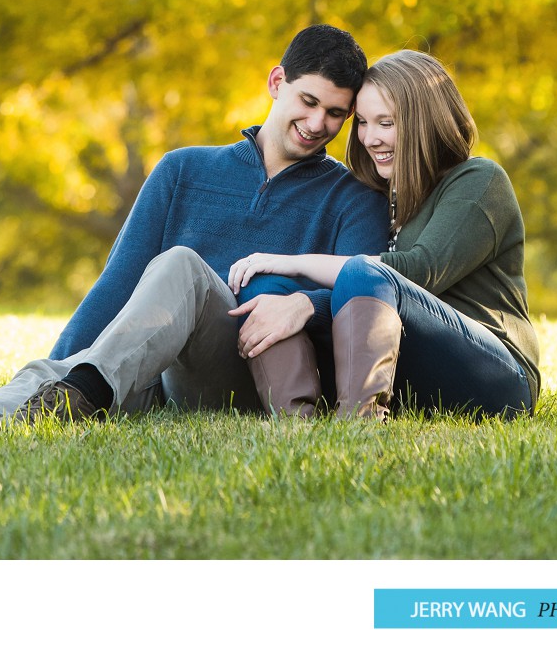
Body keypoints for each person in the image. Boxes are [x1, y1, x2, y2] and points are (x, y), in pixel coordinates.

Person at [0, 24, 389, 426]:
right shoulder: (184, 171)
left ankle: (77, 395)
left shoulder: (350, 198)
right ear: (275, 82)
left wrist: (305, 305)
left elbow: (361, 300)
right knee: (76, 357)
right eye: (308, 101)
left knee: (182, 267)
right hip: (148, 377)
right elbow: (117, 287)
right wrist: (60, 367)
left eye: (336, 113)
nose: (318, 123)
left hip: (250, 376)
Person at [226, 50, 538, 420]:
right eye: (362, 122)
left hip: (497, 376)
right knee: (267, 287)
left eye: (386, 123)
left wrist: (295, 266)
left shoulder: (479, 181)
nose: (370, 138)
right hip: (412, 372)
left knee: (360, 271)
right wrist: (284, 287)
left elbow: (418, 269)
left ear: (424, 121)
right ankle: (296, 422)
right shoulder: (383, 195)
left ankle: (360, 421)